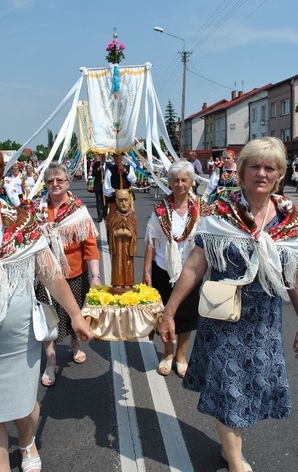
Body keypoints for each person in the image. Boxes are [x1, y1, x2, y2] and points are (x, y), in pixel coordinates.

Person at [0, 136, 93, 472]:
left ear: (0, 178)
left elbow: (51, 274)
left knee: (24, 409)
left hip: (18, 342)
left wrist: (75, 315)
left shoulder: (22, 224)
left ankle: (27, 442)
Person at [159, 137, 298, 472]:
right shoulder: (220, 208)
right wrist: (169, 311)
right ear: (241, 170)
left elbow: (294, 276)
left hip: (263, 325)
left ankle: (229, 448)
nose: (261, 173)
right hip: (223, 321)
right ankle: (235, 462)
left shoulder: (288, 216)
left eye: (270, 167)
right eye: (255, 166)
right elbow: (194, 266)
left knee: (249, 392)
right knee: (230, 391)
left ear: (279, 174)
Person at [31, 162, 101, 387]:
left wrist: (96, 276)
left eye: (59, 180)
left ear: (68, 183)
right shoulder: (37, 209)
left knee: (74, 315)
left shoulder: (79, 211)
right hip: (45, 277)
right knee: (48, 318)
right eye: (50, 181)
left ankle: (75, 345)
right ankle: (50, 361)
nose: (54, 185)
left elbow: (90, 246)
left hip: (75, 275)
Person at [142, 160, 202, 377]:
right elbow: (151, 240)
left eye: (184, 180)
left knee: (186, 316)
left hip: (191, 270)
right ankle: (167, 354)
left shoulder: (200, 209)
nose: (180, 184)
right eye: (175, 180)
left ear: (191, 182)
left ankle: (181, 356)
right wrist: (146, 270)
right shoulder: (160, 210)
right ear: (169, 182)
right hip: (162, 269)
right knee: (164, 314)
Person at [107, 189, 137, 288]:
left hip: (128, 247)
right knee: (117, 264)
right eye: (120, 200)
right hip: (118, 246)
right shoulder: (114, 215)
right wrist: (116, 233)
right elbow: (111, 231)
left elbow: (134, 232)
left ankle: (128, 283)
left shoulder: (132, 215)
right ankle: (117, 283)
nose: (123, 203)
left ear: (129, 200)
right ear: (116, 201)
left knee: (128, 264)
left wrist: (129, 233)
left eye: (125, 200)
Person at [103, 153, 136, 217]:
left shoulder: (129, 168)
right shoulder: (110, 170)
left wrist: (125, 171)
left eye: (118, 157)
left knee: (128, 216)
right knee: (115, 217)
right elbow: (106, 186)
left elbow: (133, 179)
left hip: (127, 197)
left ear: (122, 157)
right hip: (115, 197)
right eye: (115, 157)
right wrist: (114, 193)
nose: (116, 159)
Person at [91, 153, 108, 222]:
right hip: (98, 185)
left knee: (106, 201)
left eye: (104, 157)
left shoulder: (109, 165)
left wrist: (105, 180)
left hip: (106, 186)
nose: (103, 158)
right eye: (102, 157)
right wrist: (98, 169)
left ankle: (105, 214)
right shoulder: (96, 164)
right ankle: (100, 216)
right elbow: (93, 174)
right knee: (99, 202)